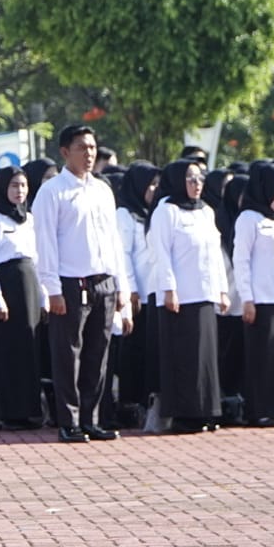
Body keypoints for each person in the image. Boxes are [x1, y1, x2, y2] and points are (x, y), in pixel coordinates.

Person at [31, 125, 132, 444]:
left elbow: (114, 241)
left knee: (97, 354)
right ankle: (69, 421)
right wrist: (53, 289)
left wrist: (121, 286)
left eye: (92, 147)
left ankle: (92, 419)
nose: (89, 153)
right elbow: (45, 243)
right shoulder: (52, 192)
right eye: (81, 147)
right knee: (68, 354)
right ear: (65, 152)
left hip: (104, 281)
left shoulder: (102, 190)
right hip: (70, 284)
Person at [147, 159, 228, 433]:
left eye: (200, 179)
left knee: (205, 357)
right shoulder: (166, 211)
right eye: (190, 179)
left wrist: (222, 290)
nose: (197, 184)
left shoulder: (206, 211)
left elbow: (215, 253)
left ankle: (206, 410)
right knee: (183, 356)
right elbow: (161, 253)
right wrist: (169, 289)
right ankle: (183, 414)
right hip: (179, 297)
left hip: (204, 293)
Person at [0, 165, 45, 430]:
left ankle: (30, 411)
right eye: (14, 185)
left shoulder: (30, 219)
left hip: (30, 284)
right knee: (9, 349)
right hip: (7, 287)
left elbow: (37, 258)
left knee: (30, 347)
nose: (19, 191)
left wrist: (43, 297)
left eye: (23, 185)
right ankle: (9, 412)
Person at [233, 162, 274, 428]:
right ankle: (260, 410)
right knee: (263, 356)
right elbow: (241, 260)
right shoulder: (249, 219)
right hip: (260, 299)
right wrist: (247, 298)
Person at [113, 161, 160, 420]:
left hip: (152, 290)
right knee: (133, 348)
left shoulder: (150, 213)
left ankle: (145, 400)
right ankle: (129, 403)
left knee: (148, 349)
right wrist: (130, 289)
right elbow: (124, 254)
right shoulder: (125, 214)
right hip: (135, 292)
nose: (153, 190)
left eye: (156, 184)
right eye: (150, 184)